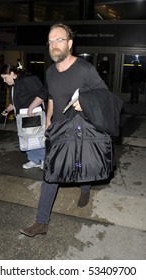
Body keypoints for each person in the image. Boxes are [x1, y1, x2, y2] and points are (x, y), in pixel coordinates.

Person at [20, 23, 120, 237]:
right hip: (59, 130)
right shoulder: (50, 72)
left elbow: (105, 95)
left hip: (82, 129)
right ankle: (41, 222)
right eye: (50, 41)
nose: (54, 45)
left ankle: (85, 189)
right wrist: (48, 118)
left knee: (80, 164)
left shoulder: (85, 69)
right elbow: (52, 97)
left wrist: (85, 102)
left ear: (70, 44)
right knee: (51, 173)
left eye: (59, 40)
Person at [0, 64, 48, 169]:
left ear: (12, 74)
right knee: (26, 140)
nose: (4, 81)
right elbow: (15, 102)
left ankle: (45, 159)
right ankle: (34, 160)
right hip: (22, 117)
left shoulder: (28, 80)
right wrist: (7, 110)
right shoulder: (14, 85)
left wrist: (31, 107)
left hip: (33, 115)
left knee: (37, 138)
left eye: (5, 78)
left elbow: (43, 93)